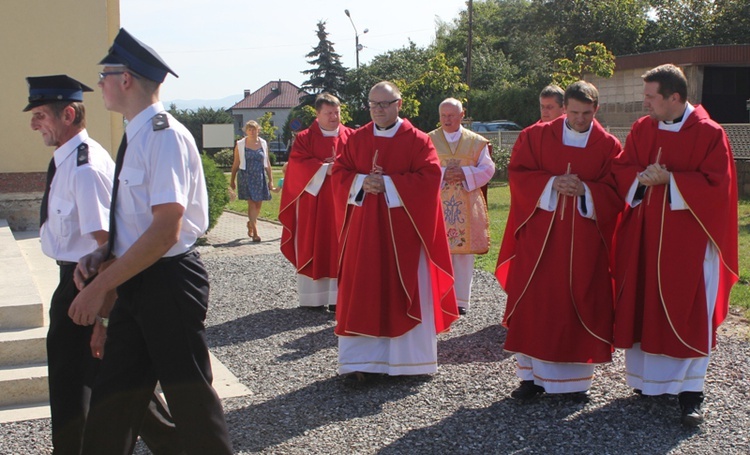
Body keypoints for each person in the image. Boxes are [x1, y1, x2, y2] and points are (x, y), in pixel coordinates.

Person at [67, 28, 233, 454]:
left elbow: (165, 231)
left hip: (169, 284)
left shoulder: (164, 135)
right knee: (113, 401)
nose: (99, 83)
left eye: (104, 74)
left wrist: (101, 288)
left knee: (192, 401)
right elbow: (140, 222)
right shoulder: (138, 134)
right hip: (139, 282)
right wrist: (104, 253)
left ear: (125, 79)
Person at [25, 74, 183, 455]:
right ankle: (178, 445)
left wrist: (105, 318)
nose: (33, 123)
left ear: (67, 114)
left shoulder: (86, 168)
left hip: (88, 286)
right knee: (111, 383)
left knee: (71, 383)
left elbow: (107, 245)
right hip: (77, 280)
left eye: (41, 115)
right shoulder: (67, 161)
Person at [611, 64, 738, 427]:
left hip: (690, 242)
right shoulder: (642, 128)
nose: (645, 102)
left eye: (651, 97)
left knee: (689, 308)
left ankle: (690, 391)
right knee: (644, 301)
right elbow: (623, 168)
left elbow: (719, 185)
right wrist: (640, 178)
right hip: (645, 236)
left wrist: (672, 181)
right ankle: (648, 384)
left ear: (675, 98)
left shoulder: (710, 133)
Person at [495, 81, 623, 400]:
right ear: (564, 107)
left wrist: (587, 191)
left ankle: (574, 384)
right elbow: (518, 175)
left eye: (587, 113)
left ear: (597, 109)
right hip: (540, 240)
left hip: (584, 243)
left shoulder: (608, 146)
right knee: (535, 304)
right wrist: (552, 183)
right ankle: (530, 379)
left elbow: (617, 192)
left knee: (578, 301)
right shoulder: (535, 136)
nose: (580, 119)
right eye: (575, 112)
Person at [331, 81, 459, 381]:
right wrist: (363, 182)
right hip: (364, 235)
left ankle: (408, 364)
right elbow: (340, 173)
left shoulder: (416, 140)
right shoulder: (356, 139)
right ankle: (359, 364)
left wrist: (387, 184)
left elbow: (429, 179)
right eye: (373, 104)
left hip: (404, 235)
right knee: (362, 291)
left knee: (404, 290)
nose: (378, 109)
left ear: (399, 104)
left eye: (385, 104)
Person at [279, 93, 353, 312]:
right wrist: (325, 168)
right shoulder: (304, 138)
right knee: (315, 243)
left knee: (343, 247)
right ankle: (313, 298)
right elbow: (298, 165)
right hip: (315, 204)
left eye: (337, 112)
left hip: (345, 202)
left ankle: (339, 298)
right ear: (318, 114)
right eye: (328, 113)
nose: (333, 117)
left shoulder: (352, 136)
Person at [427, 98, 494, 315]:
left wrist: (465, 173)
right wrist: (443, 173)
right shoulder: (428, 140)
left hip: (465, 203)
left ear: (462, 115)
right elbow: (421, 169)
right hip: (438, 204)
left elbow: (487, 169)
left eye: (452, 115)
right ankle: (438, 295)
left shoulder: (476, 142)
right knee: (438, 250)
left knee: (464, 254)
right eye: (443, 115)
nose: (447, 120)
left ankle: (461, 301)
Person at [230, 119, 274, 242]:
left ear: (258, 130)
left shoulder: (263, 143)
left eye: (254, 129)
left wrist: (270, 180)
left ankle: (251, 223)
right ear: (246, 131)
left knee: (258, 204)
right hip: (246, 175)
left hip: (259, 176)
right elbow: (236, 163)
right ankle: (255, 232)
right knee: (251, 203)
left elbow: (267, 163)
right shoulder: (240, 144)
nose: (252, 131)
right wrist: (232, 180)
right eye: (249, 129)